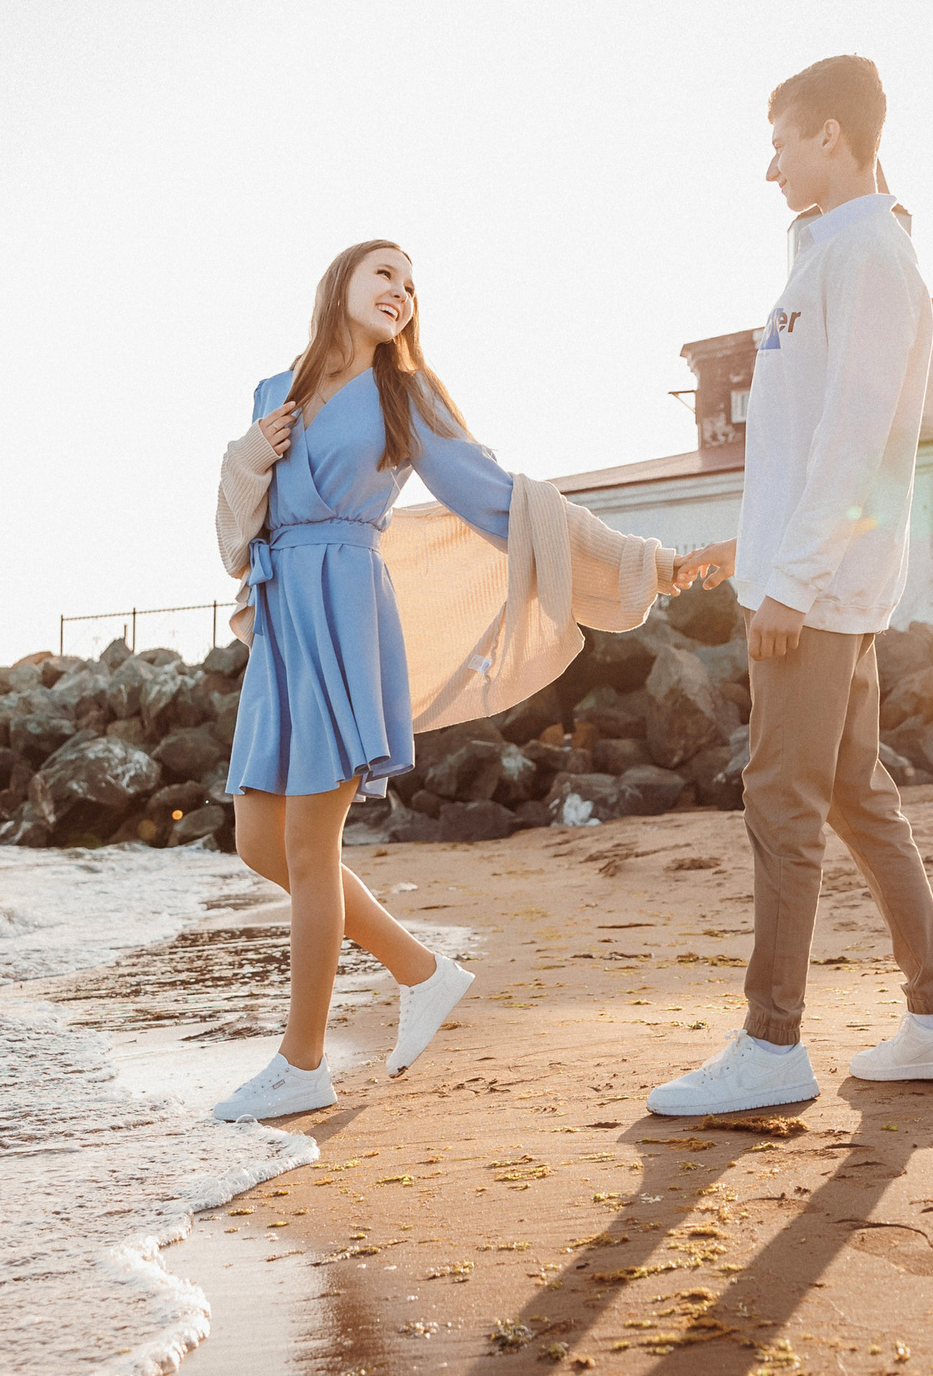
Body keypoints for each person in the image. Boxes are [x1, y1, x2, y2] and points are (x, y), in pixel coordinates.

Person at [209, 240, 687, 1121]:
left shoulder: (405, 396)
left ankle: (301, 1063)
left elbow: (502, 498)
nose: (401, 290)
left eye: (412, 283)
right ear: (341, 283)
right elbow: (236, 529)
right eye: (384, 273)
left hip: (346, 613)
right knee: (257, 843)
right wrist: (247, 453)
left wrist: (641, 561)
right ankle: (422, 971)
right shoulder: (270, 395)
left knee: (313, 849)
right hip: (283, 624)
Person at [648, 56, 933, 1118]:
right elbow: (797, 451)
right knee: (852, 794)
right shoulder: (826, 255)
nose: (769, 167)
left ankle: (770, 1042)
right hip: (808, 577)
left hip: (821, 591)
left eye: (784, 143)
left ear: (833, 137)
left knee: (780, 800)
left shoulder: (870, 257)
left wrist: (788, 585)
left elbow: (856, 440)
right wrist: (741, 552)